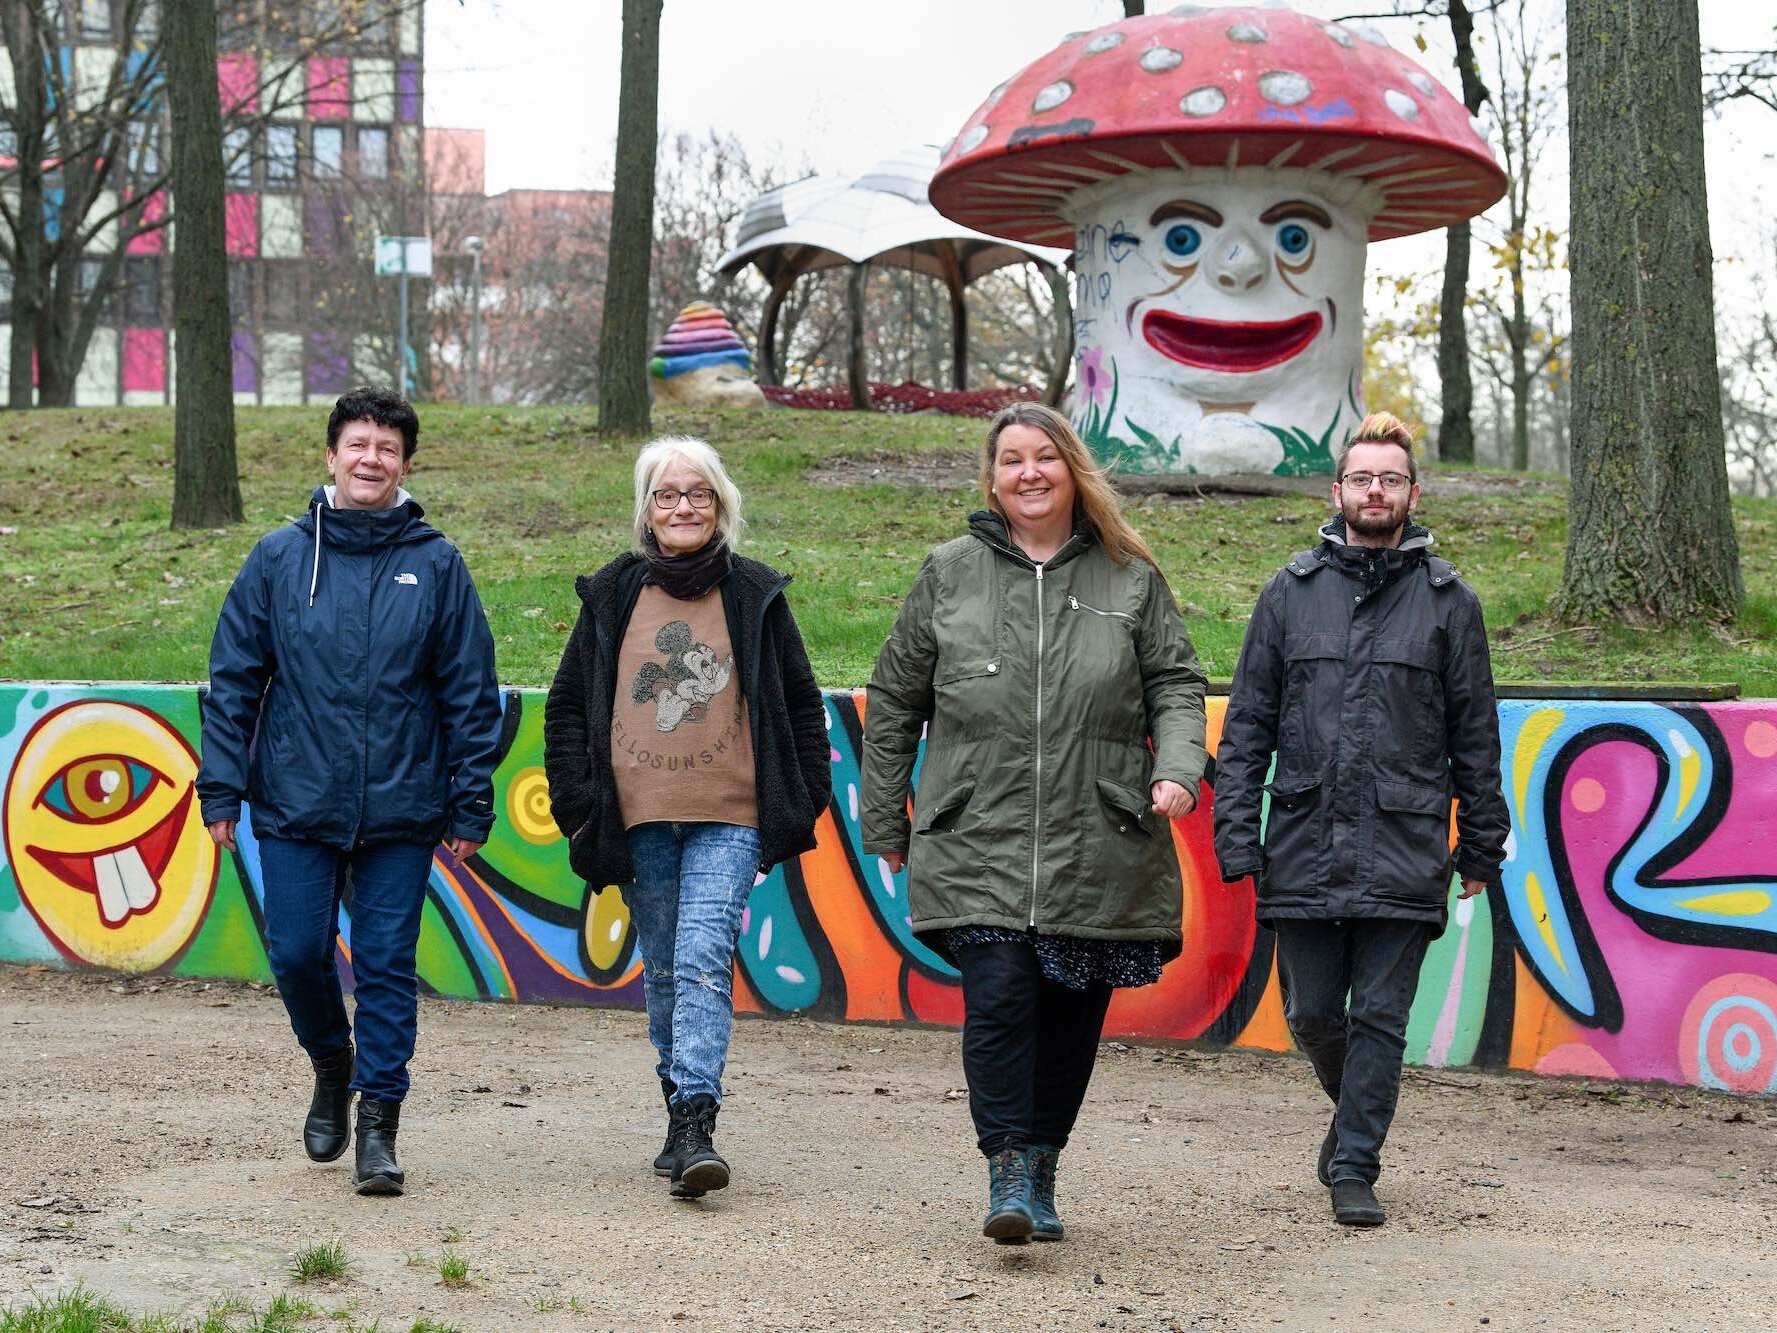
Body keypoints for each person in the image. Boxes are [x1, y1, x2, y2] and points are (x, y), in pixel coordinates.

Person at [860, 402, 1207, 1244]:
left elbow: (1175, 682)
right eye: (1010, 459)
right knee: (1002, 996)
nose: (1028, 473)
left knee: (1069, 1009)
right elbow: (896, 699)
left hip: (1100, 834)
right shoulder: (948, 573)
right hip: (976, 829)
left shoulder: (1129, 575)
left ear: (1071, 469)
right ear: (990, 478)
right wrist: (886, 823)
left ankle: (1044, 1158)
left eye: (1044, 457)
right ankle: (1007, 1164)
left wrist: (1177, 768)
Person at [197, 386, 503, 1197]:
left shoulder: (437, 563)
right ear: (331, 455)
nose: (372, 458)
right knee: (296, 953)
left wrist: (473, 801)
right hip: (296, 802)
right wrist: (221, 790)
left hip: (404, 809)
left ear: (405, 463)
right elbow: (233, 680)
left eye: (388, 447)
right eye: (358, 444)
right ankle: (333, 1065)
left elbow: (470, 691)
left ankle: (379, 1126)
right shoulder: (278, 557)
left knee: (386, 964)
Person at [1212, 411, 1509, 1228]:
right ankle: (1354, 1118)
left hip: (1405, 842)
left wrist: (1481, 843)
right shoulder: (1289, 593)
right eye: (1359, 477)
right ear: (1336, 489)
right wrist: (1236, 832)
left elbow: (1474, 733)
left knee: (1379, 1015)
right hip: (1303, 839)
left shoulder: (1451, 603)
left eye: (1388, 479)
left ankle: (1353, 1165)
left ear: (1413, 493)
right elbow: (1247, 725)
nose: (1373, 490)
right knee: (1310, 1013)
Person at [543, 436, 830, 1200]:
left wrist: (803, 800)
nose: (682, 507)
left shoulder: (755, 593)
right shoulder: (613, 593)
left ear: (721, 504)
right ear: (645, 509)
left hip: (730, 816)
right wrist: (577, 804)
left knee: (702, 955)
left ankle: (698, 1118)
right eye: (667, 495)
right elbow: (569, 704)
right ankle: (677, 1110)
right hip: (636, 820)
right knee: (666, 966)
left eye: (697, 494)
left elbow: (801, 704)